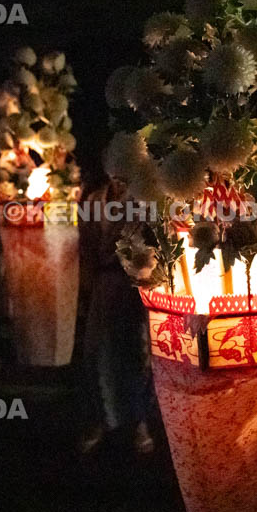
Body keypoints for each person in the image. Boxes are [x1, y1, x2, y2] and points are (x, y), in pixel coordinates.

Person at [76, 177, 154, 455]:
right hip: (105, 282)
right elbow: (85, 243)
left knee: (138, 351)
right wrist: (86, 283)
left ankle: (139, 421)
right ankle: (100, 418)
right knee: (98, 353)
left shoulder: (145, 196)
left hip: (136, 283)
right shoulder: (94, 199)